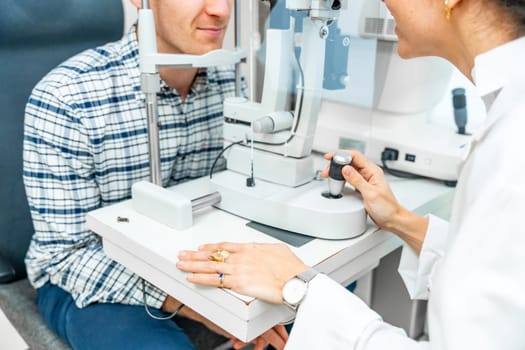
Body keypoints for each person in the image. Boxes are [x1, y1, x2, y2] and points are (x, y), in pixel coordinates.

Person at [177, 0, 525, 348]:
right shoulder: (508, 116)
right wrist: (400, 220)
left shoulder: (512, 146)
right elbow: (486, 276)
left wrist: (298, 288)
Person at [23, 0, 286, 349]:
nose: (221, 11)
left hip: (188, 258)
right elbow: (65, 256)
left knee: (321, 305)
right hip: (89, 274)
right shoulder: (67, 98)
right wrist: (203, 305)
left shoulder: (231, 78)